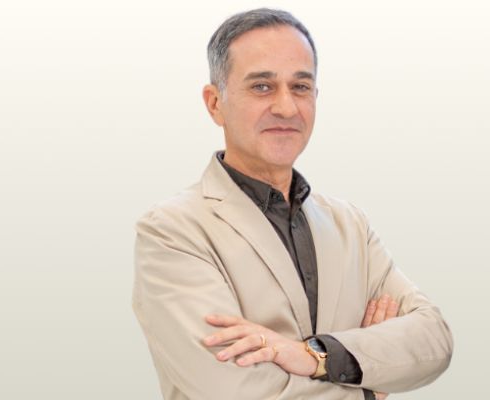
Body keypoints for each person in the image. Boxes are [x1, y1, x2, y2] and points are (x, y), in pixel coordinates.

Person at [132, 8, 453, 400]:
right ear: (215, 103)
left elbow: (434, 341)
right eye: (262, 87)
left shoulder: (351, 225)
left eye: (300, 87)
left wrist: (314, 356)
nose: (286, 107)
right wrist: (368, 386)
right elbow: (235, 391)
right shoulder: (172, 231)